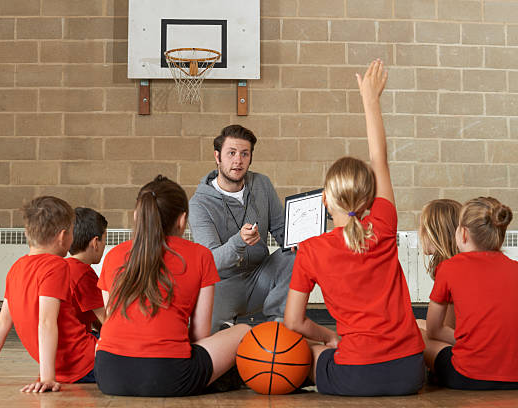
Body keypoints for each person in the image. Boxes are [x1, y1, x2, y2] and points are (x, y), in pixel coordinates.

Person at [283, 60, 425, 396]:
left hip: (354, 375)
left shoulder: (311, 249)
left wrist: (330, 338)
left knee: (299, 355)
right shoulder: (384, 223)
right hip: (409, 373)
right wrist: (370, 99)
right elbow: (380, 159)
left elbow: (293, 322)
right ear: (368, 200)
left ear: (324, 201)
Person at [95, 175, 250, 397]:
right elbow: (199, 334)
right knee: (243, 331)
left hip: (109, 375)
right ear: (182, 219)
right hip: (169, 377)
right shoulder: (200, 256)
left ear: (139, 216)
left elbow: (110, 317)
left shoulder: (114, 255)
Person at [0, 196, 97, 392]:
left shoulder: (16, 268)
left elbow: (2, 324)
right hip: (85, 364)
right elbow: (46, 322)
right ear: (63, 236)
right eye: (72, 233)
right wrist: (47, 378)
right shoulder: (56, 266)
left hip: (65, 366)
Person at [424, 196, 518, 390]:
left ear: (462, 234)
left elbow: (433, 331)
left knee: (420, 337)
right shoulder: (515, 267)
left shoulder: (448, 267)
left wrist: (474, 342)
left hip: (468, 376)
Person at [188, 124, 294, 332]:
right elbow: (211, 261)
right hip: (223, 285)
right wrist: (239, 242)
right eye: (231, 153)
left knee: (297, 256)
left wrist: (303, 239)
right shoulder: (199, 204)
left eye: (245, 154)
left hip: (260, 276)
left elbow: (282, 231)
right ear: (218, 157)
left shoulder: (262, 184)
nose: (238, 160)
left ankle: (277, 326)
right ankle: (226, 326)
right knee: (202, 337)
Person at [416, 199, 462, 332]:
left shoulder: (451, 269)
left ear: (436, 233)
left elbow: (448, 328)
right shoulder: (458, 264)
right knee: (416, 325)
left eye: (421, 227)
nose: (419, 232)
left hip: (470, 345)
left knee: (413, 334)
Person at [67, 207, 107, 334]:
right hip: (77, 344)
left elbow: (93, 314)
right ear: (95, 242)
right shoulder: (84, 273)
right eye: (105, 240)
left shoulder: (64, 266)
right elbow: (106, 321)